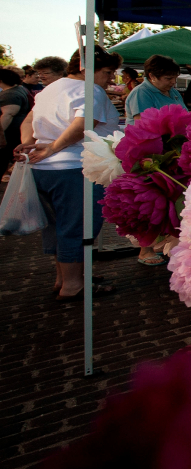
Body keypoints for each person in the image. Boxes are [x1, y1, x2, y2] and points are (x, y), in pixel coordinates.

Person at [16, 46, 120, 299]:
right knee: (77, 226)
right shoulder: (90, 90)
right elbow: (83, 124)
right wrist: (52, 147)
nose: (111, 79)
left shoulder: (51, 88)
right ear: (87, 68)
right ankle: (74, 285)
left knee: (56, 225)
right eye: (107, 72)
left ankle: (65, 277)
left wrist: (32, 143)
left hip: (43, 169)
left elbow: (28, 120)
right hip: (74, 168)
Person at [124, 54, 184, 123]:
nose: (174, 82)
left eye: (175, 78)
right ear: (152, 76)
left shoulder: (173, 92)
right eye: (168, 78)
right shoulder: (141, 93)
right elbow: (144, 124)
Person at [1, 67, 32, 179]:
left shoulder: (10, 95)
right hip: (16, 131)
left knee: (6, 157)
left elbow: (8, 114)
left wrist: (0, 132)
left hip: (11, 133)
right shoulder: (18, 90)